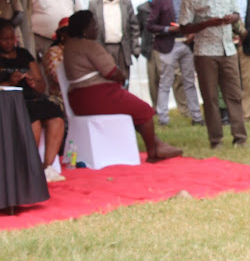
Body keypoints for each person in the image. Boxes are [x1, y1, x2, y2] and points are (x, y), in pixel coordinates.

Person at [62, 11, 182, 163]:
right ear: (85, 29)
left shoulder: (69, 45)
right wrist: (122, 77)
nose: (97, 29)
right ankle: (153, 152)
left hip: (78, 99)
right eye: (94, 25)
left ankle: (158, 144)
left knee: (134, 111)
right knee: (144, 109)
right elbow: (112, 72)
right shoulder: (89, 46)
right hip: (97, 96)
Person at [180, 0, 246, 148]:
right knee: (210, 98)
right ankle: (216, 140)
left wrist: (231, 18)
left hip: (228, 49)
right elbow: (184, 27)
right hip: (205, 52)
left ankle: (240, 138)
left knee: (234, 95)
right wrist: (207, 24)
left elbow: (236, 14)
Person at [0, 19, 66, 182]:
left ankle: (47, 167)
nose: (9, 42)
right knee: (33, 120)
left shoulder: (24, 54)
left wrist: (32, 82)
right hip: (9, 101)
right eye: (4, 38)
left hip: (31, 97)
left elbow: (41, 85)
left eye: (11, 38)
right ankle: (29, 167)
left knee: (56, 116)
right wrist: (9, 82)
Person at [147, 0, 204, 127]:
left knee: (190, 82)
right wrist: (167, 29)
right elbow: (150, 25)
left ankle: (197, 117)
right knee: (165, 82)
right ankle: (163, 118)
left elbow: (199, 18)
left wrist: (193, 33)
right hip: (167, 45)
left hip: (187, 44)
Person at [88, 0, 140, 84]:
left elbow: (134, 26)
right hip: (102, 47)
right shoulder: (94, 4)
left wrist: (135, 47)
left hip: (122, 48)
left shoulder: (126, 3)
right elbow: (90, 27)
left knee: (123, 80)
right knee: (104, 79)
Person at [137, 0, 162, 107]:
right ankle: (156, 106)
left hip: (165, 48)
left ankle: (180, 108)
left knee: (170, 78)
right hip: (150, 49)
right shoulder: (142, 9)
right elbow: (138, 29)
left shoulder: (166, 6)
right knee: (153, 79)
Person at [41, 17, 69, 111]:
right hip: (61, 98)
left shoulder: (78, 50)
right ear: (62, 34)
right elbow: (56, 77)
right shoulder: (53, 52)